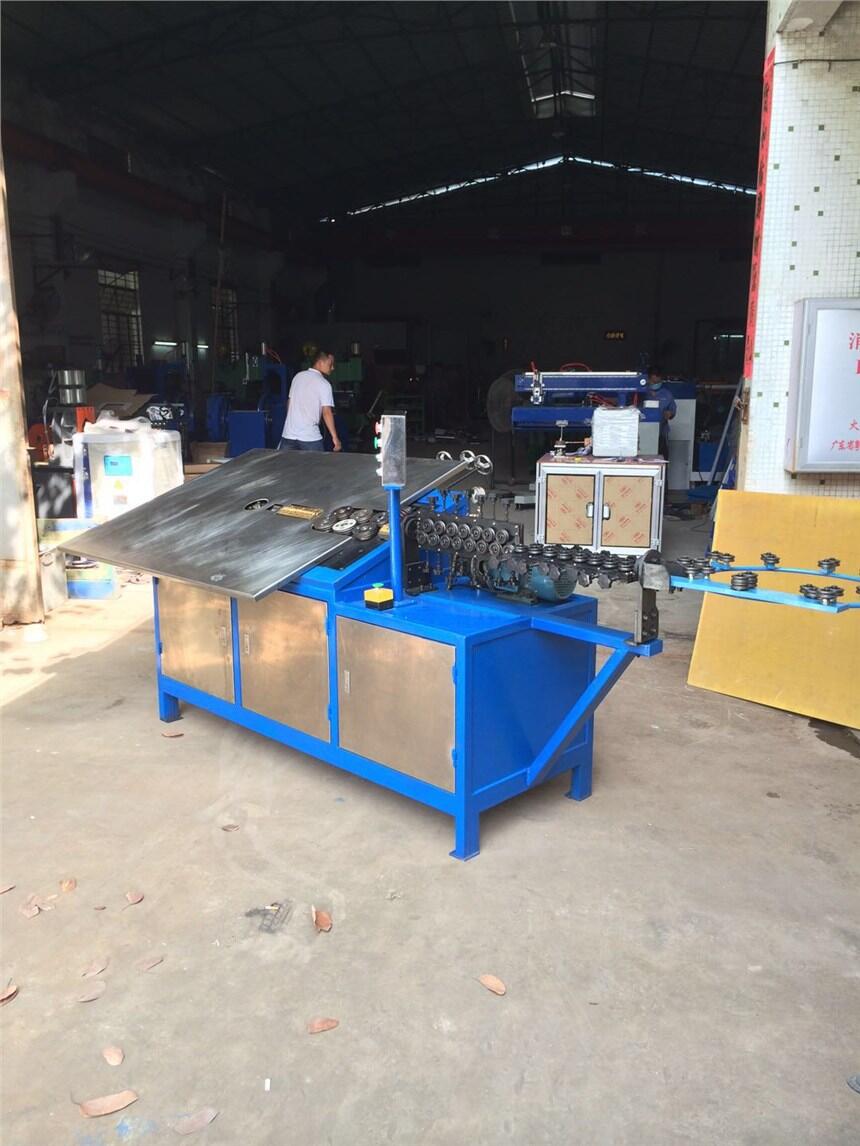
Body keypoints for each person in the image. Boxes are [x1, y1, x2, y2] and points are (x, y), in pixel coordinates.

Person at [278, 346, 342, 452]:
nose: (332, 368)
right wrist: (335, 438)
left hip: (288, 435)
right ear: (321, 362)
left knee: (285, 463)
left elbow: (289, 402)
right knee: (317, 463)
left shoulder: (298, 377)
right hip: (309, 437)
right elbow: (326, 412)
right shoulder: (324, 384)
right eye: (330, 364)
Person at [645, 366, 676, 461]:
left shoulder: (666, 394)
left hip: (661, 433)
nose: (656, 383)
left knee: (662, 458)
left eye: (658, 381)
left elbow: (673, 410)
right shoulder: (642, 392)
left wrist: (670, 413)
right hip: (644, 433)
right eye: (653, 382)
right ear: (648, 378)